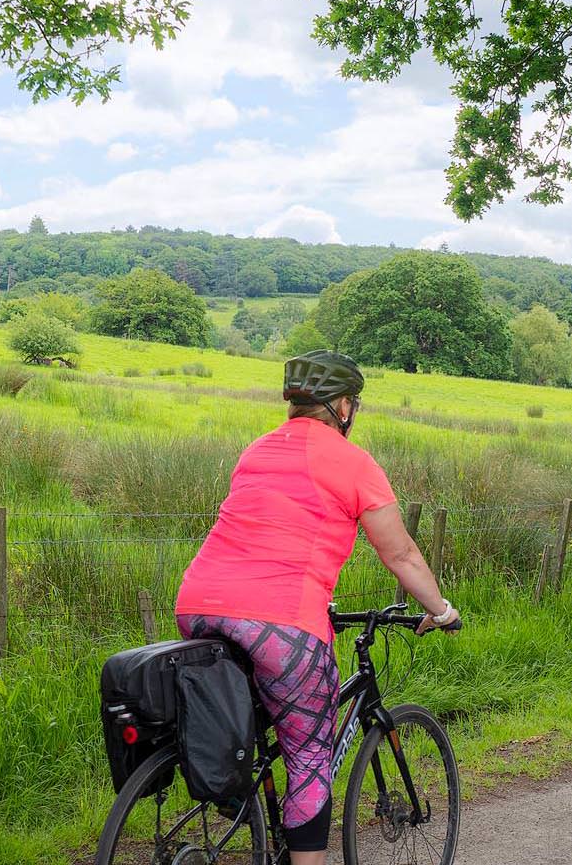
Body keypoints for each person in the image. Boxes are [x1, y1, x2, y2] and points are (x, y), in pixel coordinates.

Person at [173, 349, 459, 863]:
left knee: (254, 726)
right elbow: (400, 554)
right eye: (354, 404)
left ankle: (243, 804)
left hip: (198, 604)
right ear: (343, 407)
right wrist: (440, 610)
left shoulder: (255, 450)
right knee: (308, 757)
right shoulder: (354, 463)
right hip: (281, 620)